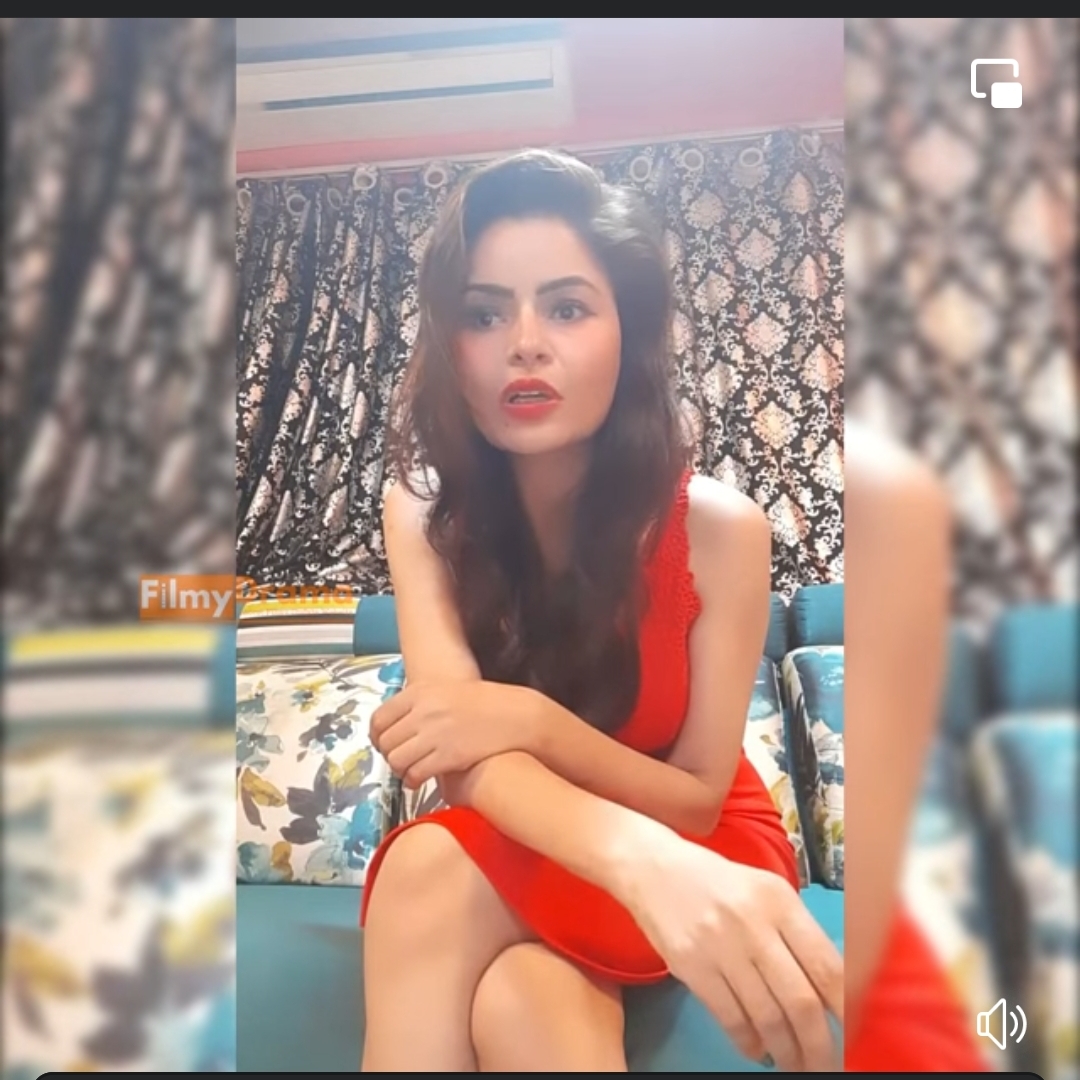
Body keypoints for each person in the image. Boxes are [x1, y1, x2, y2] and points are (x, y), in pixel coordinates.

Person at [359, 148, 844, 1072]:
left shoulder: (718, 529)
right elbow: (464, 759)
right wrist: (632, 860)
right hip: (557, 836)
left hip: (700, 845)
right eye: (483, 313)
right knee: (521, 993)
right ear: (449, 344)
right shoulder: (420, 511)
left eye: (568, 307)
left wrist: (531, 722)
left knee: (428, 871)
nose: (525, 343)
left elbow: (697, 798)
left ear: (630, 333)